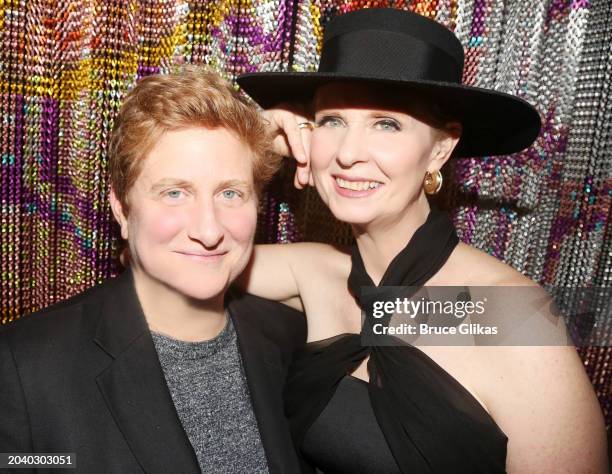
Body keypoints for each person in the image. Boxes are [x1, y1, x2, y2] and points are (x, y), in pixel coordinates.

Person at [237, 8, 609, 473]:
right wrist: (251, 141)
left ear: (440, 148)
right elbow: (163, 257)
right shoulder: (316, 272)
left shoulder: (510, 317)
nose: (348, 153)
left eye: (386, 123)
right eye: (332, 120)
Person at [0, 66, 305, 473]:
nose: (209, 230)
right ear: (122, 208)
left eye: (230, 193)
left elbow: (408, 313)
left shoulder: (288, 336)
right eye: (175, 193)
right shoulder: (25, 367)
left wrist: (340, 158)